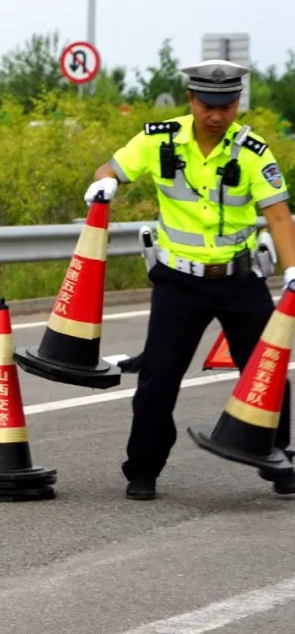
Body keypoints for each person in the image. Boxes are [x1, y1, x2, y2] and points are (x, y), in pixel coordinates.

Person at [85, 59, 295, 501]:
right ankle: (142, 469)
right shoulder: (158, 139)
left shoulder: (253, 150)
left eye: (226, 105)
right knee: (158, 378)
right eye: (206, 105)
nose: (216, 115)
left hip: (239, 280)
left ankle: (276, 457)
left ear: (237, 102)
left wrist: (292, 269)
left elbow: (277, 215)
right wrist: (104, 185)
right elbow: (111, 169)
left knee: (268, 369)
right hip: (178, 282)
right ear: (190, 99)